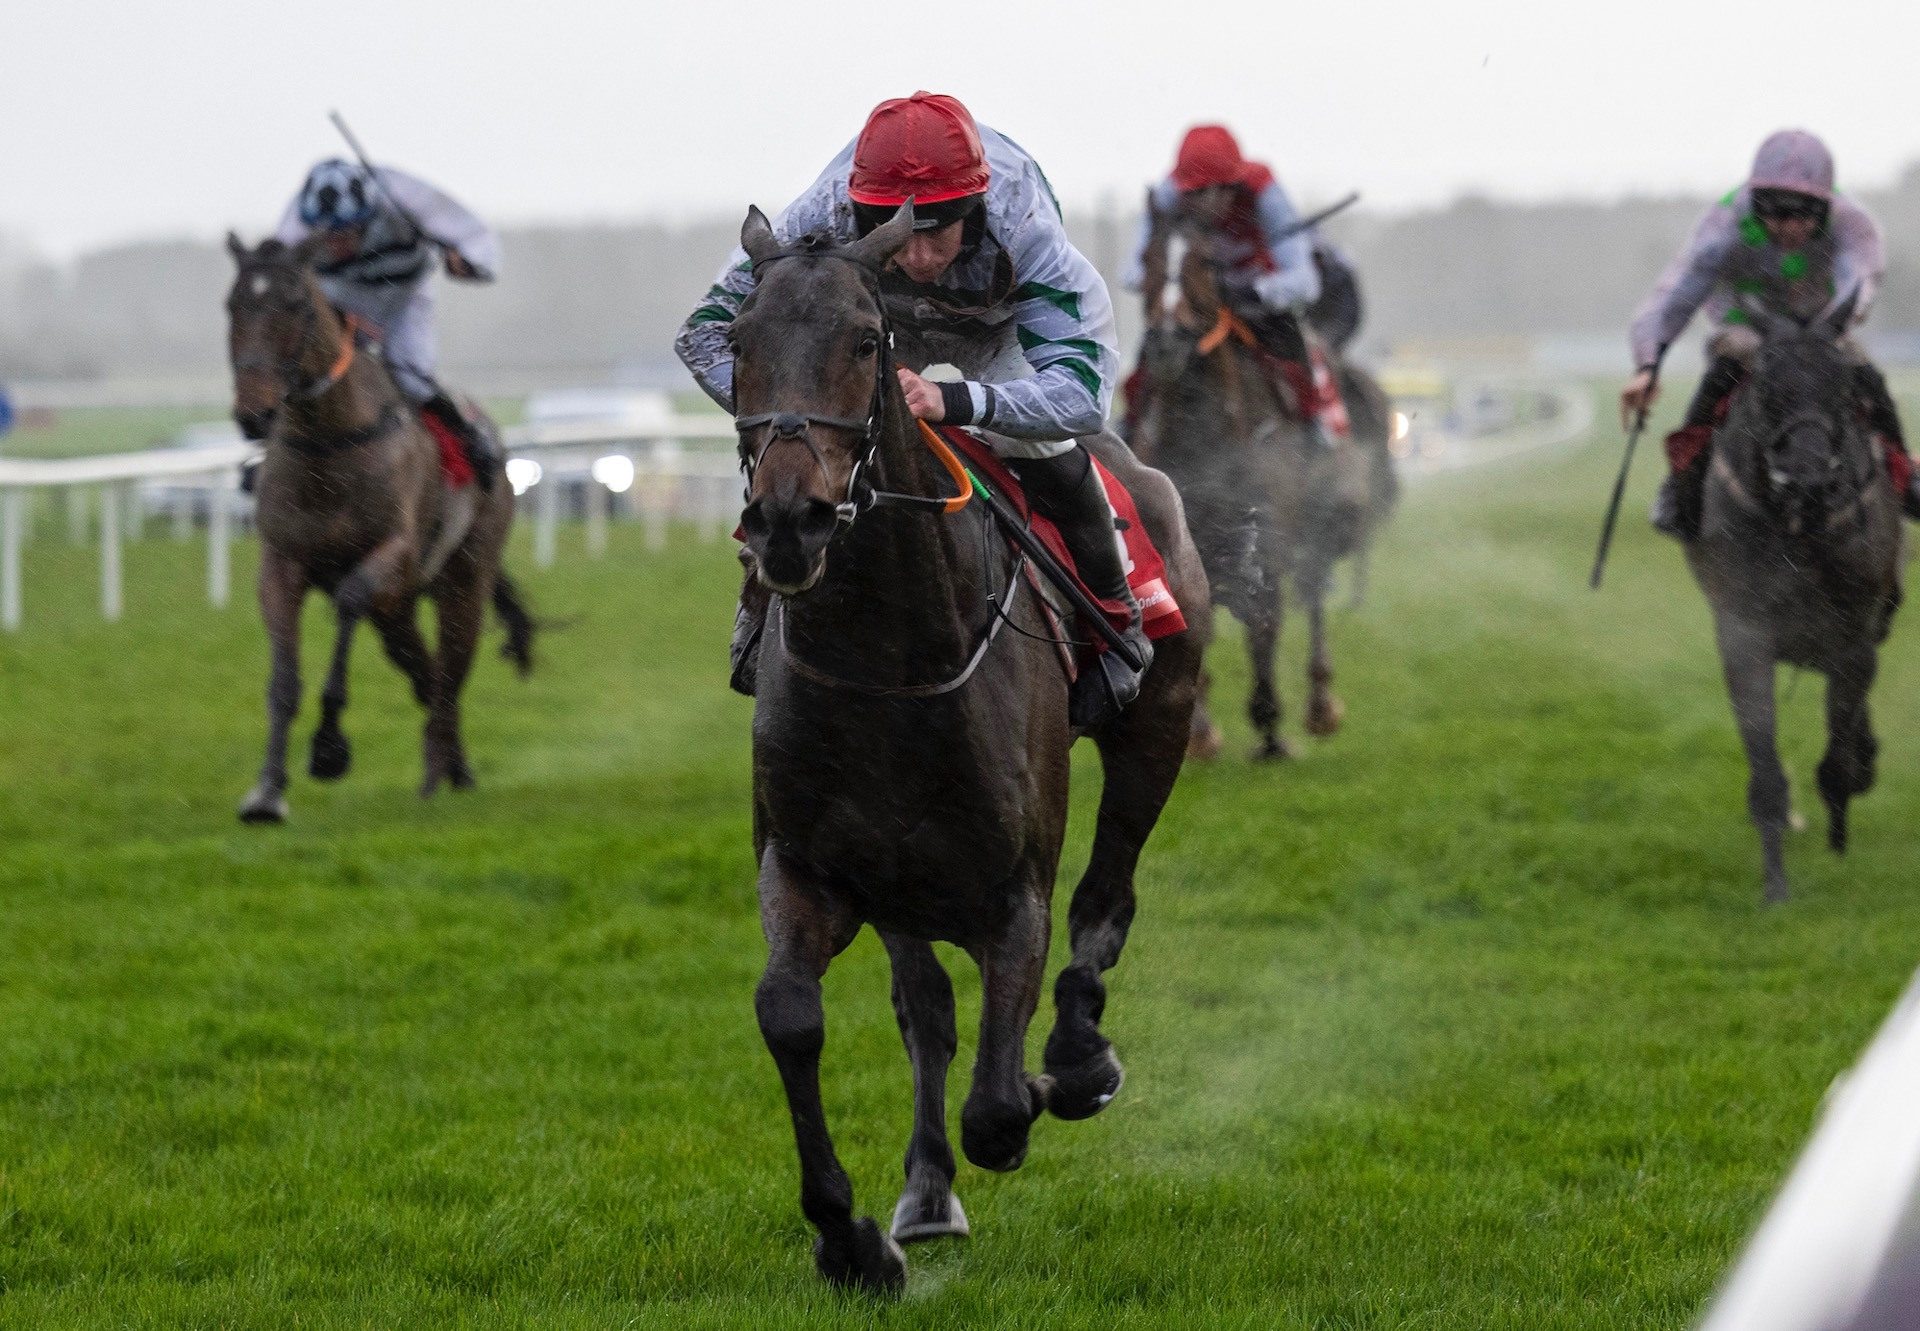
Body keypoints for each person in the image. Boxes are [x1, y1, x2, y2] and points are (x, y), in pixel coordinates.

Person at [675, 91, 1152, 724]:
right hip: (879, 328)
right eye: (901, 236)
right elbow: (702, 333)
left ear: (974, 209)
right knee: (802, 454)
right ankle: (759, 606)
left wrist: (953, 400)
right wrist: (799, 412)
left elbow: (1084, 396)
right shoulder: (818, 215)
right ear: (860, 211)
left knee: (1036, 440)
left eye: (939, 234)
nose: (920, 258)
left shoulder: (1024, 225)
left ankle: (1119, 618)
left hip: (997, 329)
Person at [1624, 128, 1919, 538]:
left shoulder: (1853, 223)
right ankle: (1682, 483)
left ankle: (1905, 473)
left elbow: (1860, 283)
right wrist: (1648, 365)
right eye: (1775, 213)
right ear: (1754, 202)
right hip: (1748, 325)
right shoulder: (1723, 225)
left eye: (1803, 215)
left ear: (1825, 208)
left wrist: (1817, 335)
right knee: (1725, 369)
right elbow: (1676, 295)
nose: (1789, 227)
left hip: (1821, 325)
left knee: (1863, 371)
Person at [271, 158, 502, 488]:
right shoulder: (294, 226)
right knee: (305, 374)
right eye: (327, 237)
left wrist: (469, 262)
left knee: (412, 377)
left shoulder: (403, 195)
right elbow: (278, 282)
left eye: (345, 234)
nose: (336, 245)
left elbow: (473, 236)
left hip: (404, 295)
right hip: (338, 298)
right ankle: (272, 456)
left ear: (367, 217)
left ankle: (470, 440)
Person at [1125, 124, 1352, 445]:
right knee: (1157, 341)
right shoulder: (1166, 196)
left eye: (1213, 191)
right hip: (1200, 301)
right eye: (1194, 193)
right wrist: (1168, 284)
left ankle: (1312, 424)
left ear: (1232, 185)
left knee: (1290, 340)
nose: (1203, 203)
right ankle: (1130, 423)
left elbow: (1305, 282)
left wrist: (1257, 291)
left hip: (1256, 297)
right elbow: (1131, 271)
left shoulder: (1265, 193)